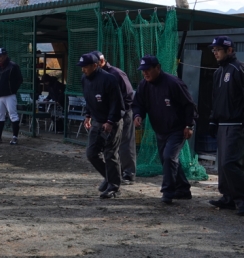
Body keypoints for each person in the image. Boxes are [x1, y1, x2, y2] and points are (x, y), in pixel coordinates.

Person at [132, 55, 196, 204]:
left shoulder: (173, 83)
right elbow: (138, 104)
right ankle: (183, 189)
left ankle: (167, 192)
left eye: (148, 69)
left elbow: (189, 105)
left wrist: (189, 125)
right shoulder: (144, 85)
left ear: (158, 68)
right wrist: (138, 115)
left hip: (177, 129)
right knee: (167, 160)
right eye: (143, 70)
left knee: (169, 157)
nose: (145, 73)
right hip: (160, 129)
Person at [79, 52, 124, 199]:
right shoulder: (84, 79)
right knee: (91, 153)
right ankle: (110, 177)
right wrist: (87, 115)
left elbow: (117, 103)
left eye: (85, 67)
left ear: (95, 65)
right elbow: (88, 99)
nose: (83, 69)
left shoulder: (109, 79)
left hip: (112, 122)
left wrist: (110, 121)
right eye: (82, 67)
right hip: (97, 121)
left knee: (110, 153)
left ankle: (114, 187)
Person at [207, 36, 244, 215]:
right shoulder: (218, 72)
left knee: (230, 162)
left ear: (229, 50)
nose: (215, 53)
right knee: (222, 164)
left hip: (237, 123)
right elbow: (215, 99)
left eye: (218, 49)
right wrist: (212, 120)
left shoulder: (238, 68)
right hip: (222, 124)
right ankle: (228, 197)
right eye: (213, 50)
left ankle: (241, 198)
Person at [92, 51, 136, 184]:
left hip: (123, 113)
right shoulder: (97, 76)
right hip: (108, 115)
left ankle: (129, 174)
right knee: (112, 144)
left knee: (125, 142)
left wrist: (121, 112)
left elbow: (129, 95)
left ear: (101, 62)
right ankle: (118, 172)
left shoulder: (116, 73)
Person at [0, 47, 23, 145]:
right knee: (0, 115)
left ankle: (15, 137)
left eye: (0, 56)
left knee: (13, 115)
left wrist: (12, 90)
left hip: (9, 95)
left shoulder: (13, 66)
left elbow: (19, 80)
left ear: (5, 55)